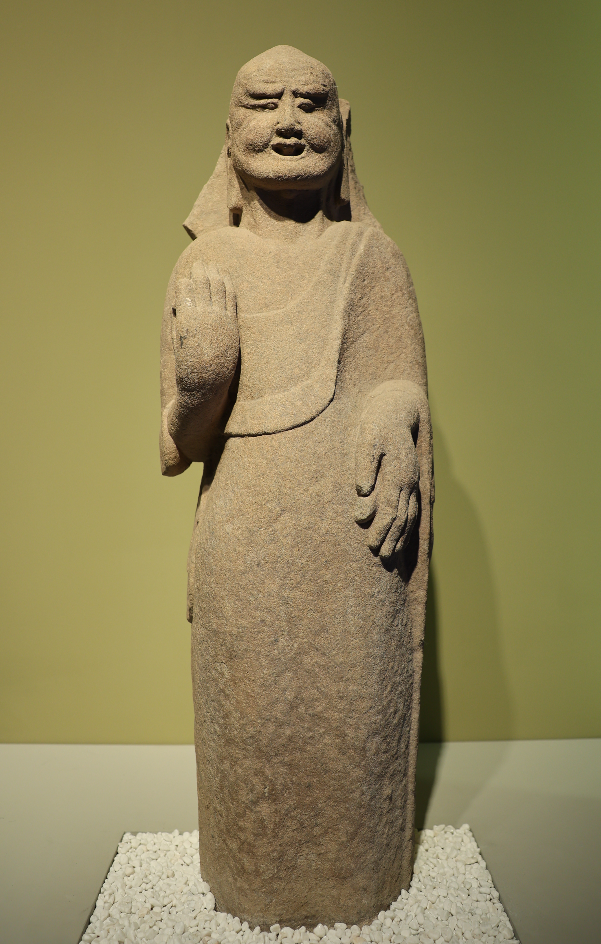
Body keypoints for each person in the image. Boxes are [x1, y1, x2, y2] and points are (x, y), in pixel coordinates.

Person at [160, 45, 433, 930]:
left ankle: (356, 879)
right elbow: (177, 446)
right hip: (245, 534)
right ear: (228, 131)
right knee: (253, 719)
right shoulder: (208, 264)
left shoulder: (371, 256)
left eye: (310, 102)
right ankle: (251, 882)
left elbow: (400, 378)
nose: (287, 123)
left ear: (341, 125)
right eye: (263, 102)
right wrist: (201, 382)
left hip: (351, 534)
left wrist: (394, 414)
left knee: (354, 714)